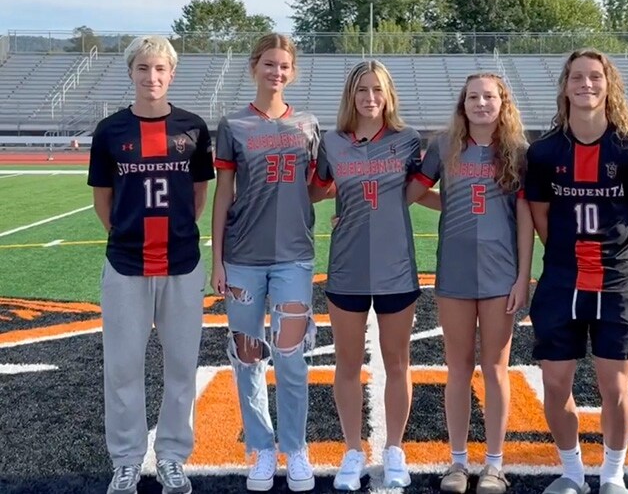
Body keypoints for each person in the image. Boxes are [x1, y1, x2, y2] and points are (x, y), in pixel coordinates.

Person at [524, 49, 628, 494]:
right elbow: (541, 217)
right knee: (555, 382)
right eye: (577, 77)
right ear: (565, 87)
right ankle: (573, 473)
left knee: (614, 385)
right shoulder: (544, 152)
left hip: (616, 283)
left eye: (595, 77)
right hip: (561, 281)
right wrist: (569, 257)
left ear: (608, 85)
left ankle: (612, 475)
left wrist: (615, 257)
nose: (586, 84)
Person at [87, 35, 214, 494]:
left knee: (181, 367)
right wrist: (128, 235)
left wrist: (174, 232)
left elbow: (198, 195)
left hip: (182, 262)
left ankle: (173, 457)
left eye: (160, 69)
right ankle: (126, 460)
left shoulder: (193, 127)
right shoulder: (110, 130)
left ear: (171, 74)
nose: (151, 76)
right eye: (143, 68)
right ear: (131, 73)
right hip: (126, 264)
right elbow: (103, 200)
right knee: (123, 367)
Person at [406, 73, 534, 494]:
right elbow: (412, 192)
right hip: (455, 272)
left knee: (495, 368)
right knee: (458, 368)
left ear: (503, 102)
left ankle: (494, 464)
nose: (481, 103)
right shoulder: (444, 146)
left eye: (489, 97)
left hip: (501, 274)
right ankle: (458, 462)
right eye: (473, 97)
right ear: (463, 104)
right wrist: (354, 209)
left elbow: (525, 220)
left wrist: (523, 277)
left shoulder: (518, 151)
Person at [311, 60, 432, 491]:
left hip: (396, 266)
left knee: (397, 362)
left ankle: (394, 449)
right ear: (351, 95)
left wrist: (473, 204)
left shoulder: (407, 140)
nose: (370, 97)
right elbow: (317, 189)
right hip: (347, 267)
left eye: (377, 89)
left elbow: (415, 192)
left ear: (388, 95)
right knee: (346, 364)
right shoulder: (331, 142)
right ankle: (352, 450)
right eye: (362, 90)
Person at [210, 33, 321, 493]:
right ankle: (261, 448)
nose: (277, 72)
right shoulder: (233, 125)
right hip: (243, 258)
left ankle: (295, 448)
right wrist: (217, 259)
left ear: (292, 72)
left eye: (284, 66)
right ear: (254, 66)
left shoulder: (309, 125)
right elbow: (223, 193)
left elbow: (316, 186)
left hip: (294, 256)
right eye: (269, 64)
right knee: (248, 355)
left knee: (292, 360)